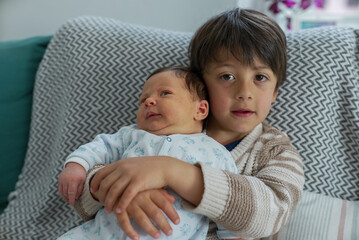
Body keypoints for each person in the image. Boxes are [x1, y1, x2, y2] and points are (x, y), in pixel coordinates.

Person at [73, 8, 304, 240]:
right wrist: (121, 191)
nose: (245, 93)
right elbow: (82, 199)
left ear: (275, 90)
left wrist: (169, 171)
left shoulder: (276, 152)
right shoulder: (163, 124)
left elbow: (268, 216)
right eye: (227, 77)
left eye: (260, 78)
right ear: (202, 82)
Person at [58, 66, 240, 240]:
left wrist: (233, 235)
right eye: (143, 99)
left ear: (200, 110)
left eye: (165, 93)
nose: (149, 101)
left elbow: (228, 200)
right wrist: (76, 165)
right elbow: (100, 147)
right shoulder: (131, 135)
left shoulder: (215, 152)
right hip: (103, 232)